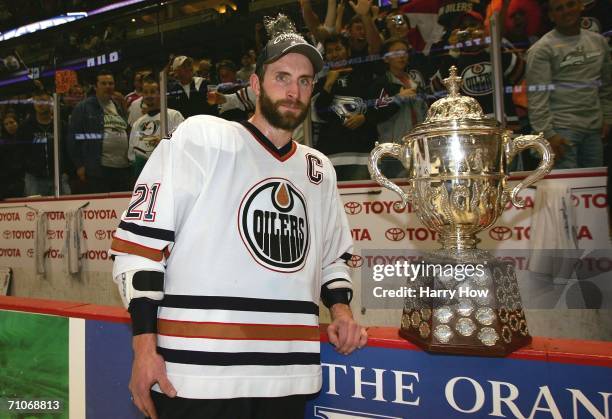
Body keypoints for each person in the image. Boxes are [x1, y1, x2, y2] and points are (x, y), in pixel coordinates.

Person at [110, 14, 367, 419]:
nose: (293, 90)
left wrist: (341, 312)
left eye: (304, 81)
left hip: (288, 376)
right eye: (282, 77)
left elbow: (332, 257)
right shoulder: (203, 137)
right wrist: (144, 349)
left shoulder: (319, 169)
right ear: (253, 85)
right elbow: (139, 248)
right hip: (197, 377)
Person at [526, 0, 612, 169]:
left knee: (593, 190)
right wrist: (548, 134)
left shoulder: (599, 42)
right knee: (563, 191)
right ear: (551, 16)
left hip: (594, 130)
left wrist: (608, 116)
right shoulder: (541, 49)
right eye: (559, 8)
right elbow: (537, 98)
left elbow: (606, 87)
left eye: (570, 5)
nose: (566, 11)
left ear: (580, 6)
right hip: (561, 132)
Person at [68, 69, 132, 193]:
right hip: (99, 170)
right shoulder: (83, 107)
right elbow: (72, 139)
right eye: (104, 83)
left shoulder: (118, 106)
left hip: (122, 167)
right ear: (95, 86)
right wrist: (79, 165)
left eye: (111, 83)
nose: (108, 87)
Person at [128, 76, 184, 177]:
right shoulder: (137, 123)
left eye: (153, 92)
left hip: (168, 172)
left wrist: (166, 143)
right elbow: (132, 153)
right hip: (144, 175)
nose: (149, 95)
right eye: (146, 92)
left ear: (160, 94)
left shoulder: (173, 115)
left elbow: (183, 142)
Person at [18, 91, 70, 196]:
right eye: (36, 101)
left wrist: (66, 170)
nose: (39, 104)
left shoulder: (61, 125)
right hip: (34, 178)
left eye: (43, 100)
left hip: (59, 176)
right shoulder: (25, 127)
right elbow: (20, 151)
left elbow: (68, 149)